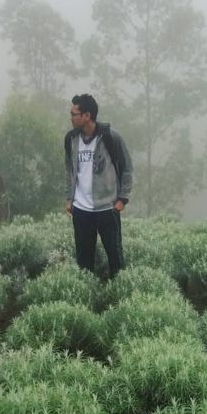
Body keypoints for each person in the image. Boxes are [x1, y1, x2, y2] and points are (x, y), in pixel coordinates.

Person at [64, 93, 133, 278]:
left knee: (115, 259)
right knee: (84, 263)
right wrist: (70, 198)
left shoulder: (110, 137)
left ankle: (119, 297)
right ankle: (87, 298)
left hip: (107, 208)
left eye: (74, 114)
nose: (71, 118)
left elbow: (127, 168)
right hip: (81, 210)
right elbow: (70, 170)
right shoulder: (71, 139)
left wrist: (122, 199)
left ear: (87, 115)